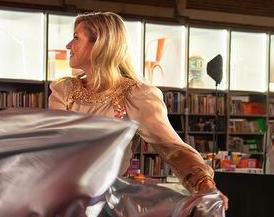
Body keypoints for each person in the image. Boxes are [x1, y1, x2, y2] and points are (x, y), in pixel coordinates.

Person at [48, 12, 225, 203]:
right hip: (59, 202)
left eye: (76, 37)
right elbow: (49, 147)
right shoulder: (64, 90)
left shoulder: (136, 95)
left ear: (100, 44)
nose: (68, 45)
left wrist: (204, 183)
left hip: (104, 206)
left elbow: (174, 149)